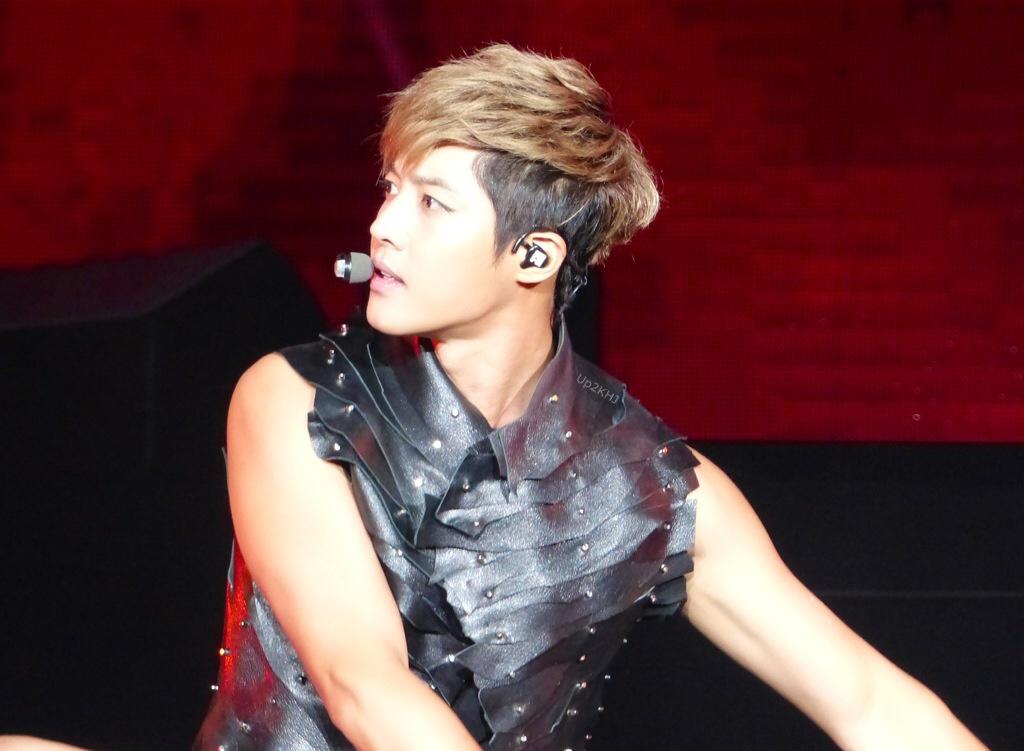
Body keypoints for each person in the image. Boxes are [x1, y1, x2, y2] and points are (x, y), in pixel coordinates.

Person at [0, 43, 986, 751]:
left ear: (534, 256)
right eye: (390, 187)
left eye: (431, 202)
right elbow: (363, 684)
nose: (384, 226)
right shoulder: (293, 398)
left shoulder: (654, 489)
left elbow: (871, 701)